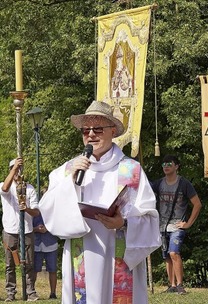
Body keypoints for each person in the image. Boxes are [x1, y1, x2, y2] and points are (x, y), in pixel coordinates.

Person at [38, 100, 161, 304]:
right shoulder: (69, 169)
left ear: (113, 131)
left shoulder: (131, 170)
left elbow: (150, 218)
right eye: (86, 130)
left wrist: (124, 223)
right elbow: (47, 208)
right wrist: (70, 182)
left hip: (119, 250)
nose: (91, 134)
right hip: (83, 251)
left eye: (97, 129)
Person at [152, 155, 202, 295]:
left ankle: (180, 285)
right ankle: (172, 285)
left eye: (169, 163)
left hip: (177, 226)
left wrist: (188, 223)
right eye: (163, 164)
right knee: (166, 256)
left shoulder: (184, 184)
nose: (166, 166)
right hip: (162, 226)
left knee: (174, 252)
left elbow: (197, 204)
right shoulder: (158, 183)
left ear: (176, 166)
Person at [1, 158, 39, 302]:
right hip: (10, 230)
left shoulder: (29, 188)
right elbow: (5, 189)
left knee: (29, 263)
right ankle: (10, 293)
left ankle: (31, 292)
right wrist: (14, 167)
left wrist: (27, 208)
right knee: (10, 264)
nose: (17, 172)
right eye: (14, 169)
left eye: (19, 169)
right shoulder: (5, 186)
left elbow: (36, 212)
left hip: (27, 230)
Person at [33, 212, 59, 300]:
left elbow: (59, 224)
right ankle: (31, 292)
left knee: (52, 270)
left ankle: (53, 293)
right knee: (34, 270)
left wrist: (48, 228)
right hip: (36, 244)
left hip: (51, 243)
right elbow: (26, 227)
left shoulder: (54, 208)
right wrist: (36, 229)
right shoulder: (32, 207)